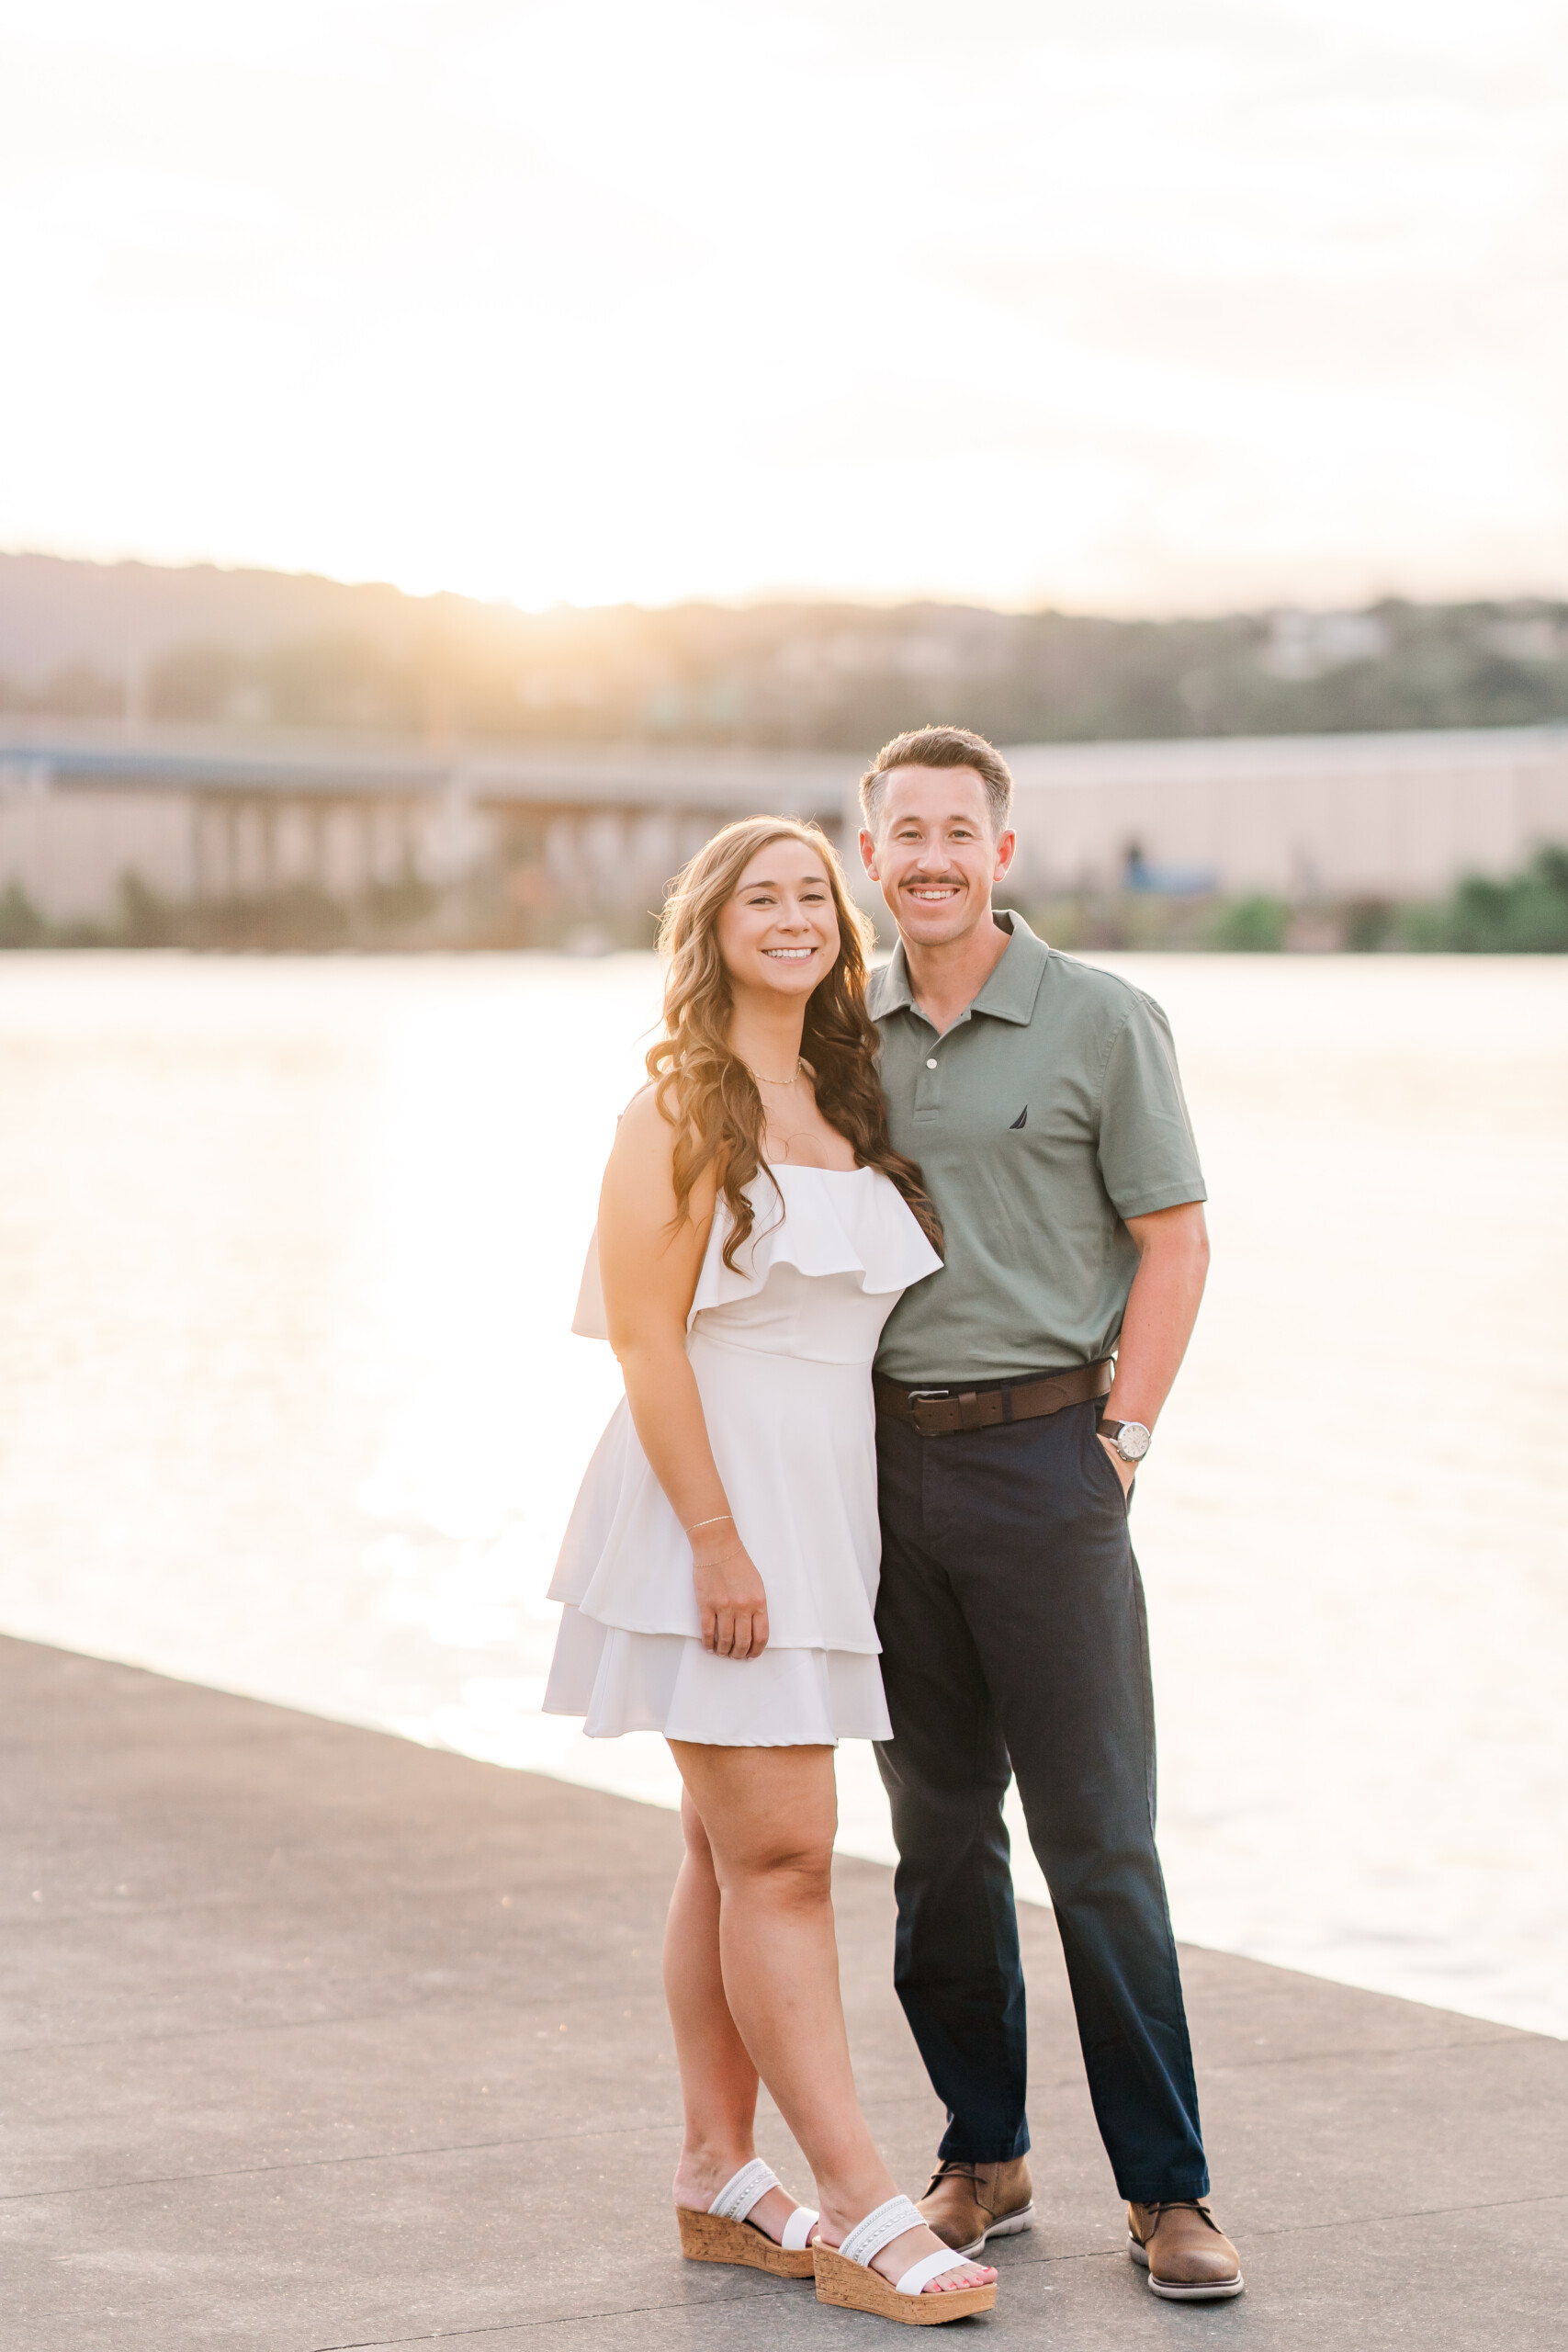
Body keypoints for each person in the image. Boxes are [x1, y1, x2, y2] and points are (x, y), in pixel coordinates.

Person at [542, 816, 1000, 2324]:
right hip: (713, 1512)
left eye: (816, 893)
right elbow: (644, 1337)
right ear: (712, 928)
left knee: (720, 1853)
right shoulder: (681, 1103)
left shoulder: (845, 1093)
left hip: (828, 1513)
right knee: (788, 1860)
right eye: (764, 897)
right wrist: (720, 1539)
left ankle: (715, 2171)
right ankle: (862, 2209)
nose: (796, 916)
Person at [857, 726, 1245, 2303]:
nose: (934, 856)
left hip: (1050, 1463)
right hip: (881, 1469)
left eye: (961, 830)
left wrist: (1125, 1441)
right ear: (869, 852)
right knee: (937, 1838)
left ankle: (1169, 2194)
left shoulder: (1101, 1017)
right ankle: (984, 2154)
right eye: (906, 833)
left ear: (1001, 853)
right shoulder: (839, 1032)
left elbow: (1178, 1241)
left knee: (1100, 1844)